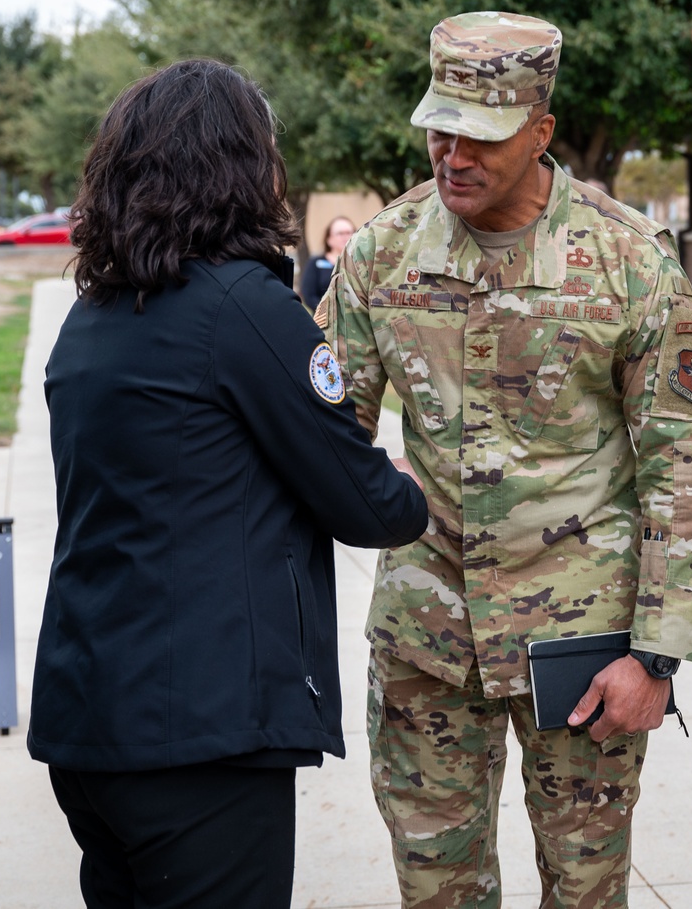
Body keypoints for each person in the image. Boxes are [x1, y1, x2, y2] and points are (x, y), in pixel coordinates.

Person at [317, 12, 692, 909]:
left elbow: (682, 463)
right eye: (438, 126)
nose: (451, 154)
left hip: (583, 653)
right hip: (429, 639)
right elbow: (323, 431)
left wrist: (658, 657)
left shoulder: (627, 262)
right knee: (437, 891)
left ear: (540, 132)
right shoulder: (384, 253)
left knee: (585, 891)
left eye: (481, 135)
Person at [26, 58, 429, 909]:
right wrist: (407, 482)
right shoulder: (244, 306)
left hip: (90, 718)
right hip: (197, 739)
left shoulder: (92, 316)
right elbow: (361, 502)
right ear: (240, 166)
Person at [300, 215, 356, 310]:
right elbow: (309, 295)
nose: (346, 237)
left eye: (349, 232)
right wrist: (327, 311)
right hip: (324, 319)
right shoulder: (316, 263)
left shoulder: (361, 263)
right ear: (329, 239)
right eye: (340, 233)